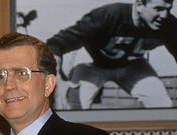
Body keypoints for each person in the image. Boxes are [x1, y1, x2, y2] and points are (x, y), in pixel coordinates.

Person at [46, 0, 177, 109]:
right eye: (158, 9)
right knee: (73, 108)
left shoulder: (169, 24)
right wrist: (56, 80)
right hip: (93, 64)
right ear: (139, 5)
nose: (164, 15)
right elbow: (56, 44)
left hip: (132, 66)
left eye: (168, 9)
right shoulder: (109, 15)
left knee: (163, 105)